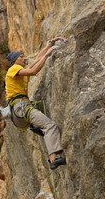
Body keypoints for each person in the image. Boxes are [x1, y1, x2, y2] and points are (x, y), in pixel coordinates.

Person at [5, 37, 67, 170]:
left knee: (45, 125)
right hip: (21, 107)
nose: (24, 58)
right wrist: (47, 54)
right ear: (15, 60)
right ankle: (54, 159)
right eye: (21, 57)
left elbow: (36, 60)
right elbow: (33, 71)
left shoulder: (19, 72)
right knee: (50, 125)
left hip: (19, 114)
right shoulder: (13, 69)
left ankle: (37, 127)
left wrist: (51, 42)